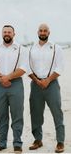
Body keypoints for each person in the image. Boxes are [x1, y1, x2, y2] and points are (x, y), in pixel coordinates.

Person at [28, 24, 65, 153]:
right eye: (41, 30)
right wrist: (37, 81)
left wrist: (48, 80)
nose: (43, 32)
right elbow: (28, 68)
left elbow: (60, 68)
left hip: (52, 83)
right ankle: (38, 140)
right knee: (36, 113)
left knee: (57, 112)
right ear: (37, 32)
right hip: (36, 84)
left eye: (45, 31)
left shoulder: (56, 48)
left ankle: (60, 142)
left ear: (49, 32)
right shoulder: (31, 48)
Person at [0, 25, 27, 152]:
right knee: (2, 115)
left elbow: (23, 68)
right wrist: (1, 78)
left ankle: (17, 143)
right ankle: (2, 143)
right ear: (2, 33)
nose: (7, 34)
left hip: (16, 84)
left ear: (14, 34)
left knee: (17, 115)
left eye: (9, 32)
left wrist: (8, 77)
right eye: (5, 32)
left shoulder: (21, 48)